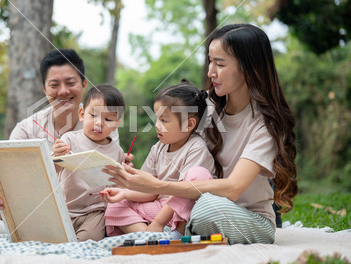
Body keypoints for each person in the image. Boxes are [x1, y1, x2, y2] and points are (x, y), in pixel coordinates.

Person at [102, 24, 298, 245]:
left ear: (249, 68)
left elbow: (233, 188)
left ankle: (169, 229)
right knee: (126, 200)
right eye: (210, 61)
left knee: (205, 206)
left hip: (243, 216)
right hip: (192, 203)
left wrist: (157, 186)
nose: (210, 72)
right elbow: (169, 118)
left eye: (220, 64)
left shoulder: (265, 124)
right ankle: (157, 232)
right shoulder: (205, 105)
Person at [0, 49, 132, 219]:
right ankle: (33, 225)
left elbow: (106, 178)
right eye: (54, 85)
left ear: (84, 85)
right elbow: (10, 174)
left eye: (70, 83)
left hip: (85, 206)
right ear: (44, 89)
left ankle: (25, 227)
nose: (63, 91)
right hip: (38, 203)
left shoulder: (101, 125)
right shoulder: (26, 129)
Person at [100, 81, 216, 238]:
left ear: (189, 124)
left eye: (164, 120)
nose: (157, 125)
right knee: (115, 205)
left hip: (180, 214)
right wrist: (124, 193)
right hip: (159, 208)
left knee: (198, 174)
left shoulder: (195, 147)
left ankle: (172, 233)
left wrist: (158, 223)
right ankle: (147, 236)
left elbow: (186, 192)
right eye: (157, 119)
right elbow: (150, 191)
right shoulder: (158, 148)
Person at [52, 84, 125, 241]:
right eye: (93, 115)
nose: (99, 123)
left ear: (116, 125)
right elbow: (51, 171)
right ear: (82, 114)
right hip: (63, 209)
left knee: (89, 239)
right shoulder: (68, 140)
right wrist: (55, 156)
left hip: (94, 211)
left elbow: (117, 185)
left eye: (108, 119)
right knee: (51, 237)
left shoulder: (117, 151)